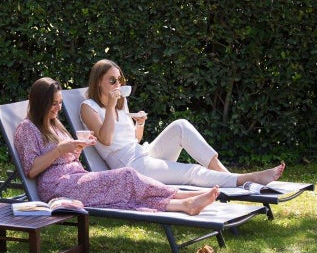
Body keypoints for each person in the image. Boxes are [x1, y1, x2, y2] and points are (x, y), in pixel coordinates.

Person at [14, 77, 219, 215]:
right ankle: (184, 196)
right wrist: (60, 150)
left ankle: (185, 203)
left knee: (126, 191)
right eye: (54, 104)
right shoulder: (27, 129)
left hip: (75, 179)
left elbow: (64, 155)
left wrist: (77, 148)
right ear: (40, 103)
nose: (58, 108)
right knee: (126, 177)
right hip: (57, 188)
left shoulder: (53, 124)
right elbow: (31, 170)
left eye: (60, 102)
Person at [79, 59, 285, 188]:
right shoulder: (88, 108)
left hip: (142, 153)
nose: (118, 85)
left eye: (119, 80)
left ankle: (227, 176)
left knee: (181, 125)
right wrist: (111, 106)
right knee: (190, 171)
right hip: (131, 167)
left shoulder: (119, 104)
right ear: (98, 82)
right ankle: (245, 179)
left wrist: (139, 124)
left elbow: (133, 139)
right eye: (112, 80)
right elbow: (105, 140)